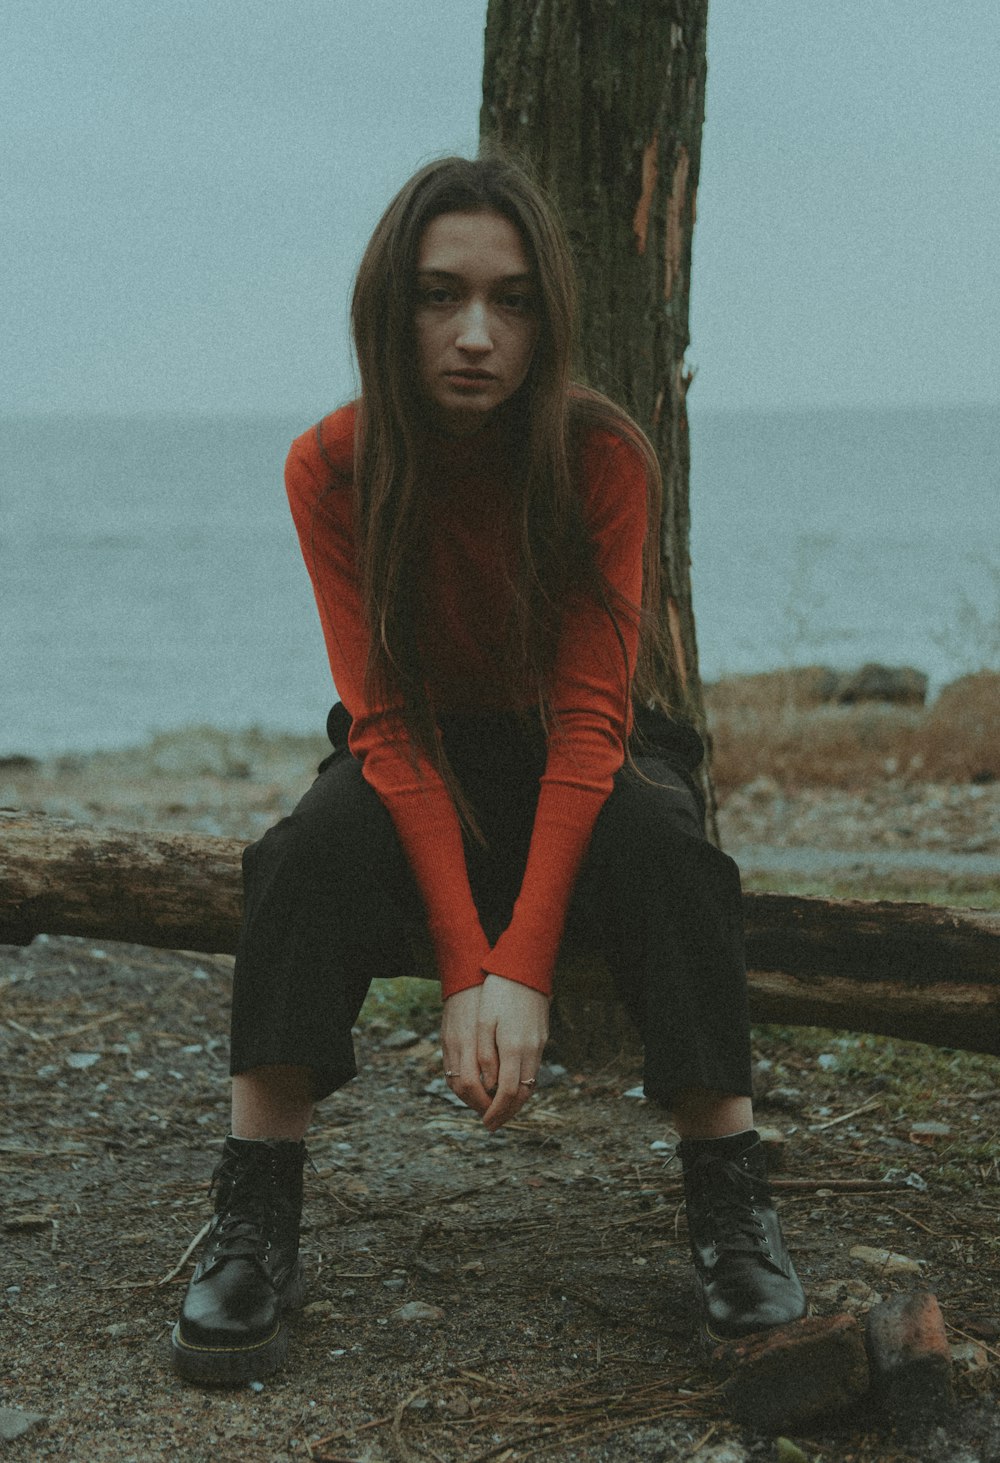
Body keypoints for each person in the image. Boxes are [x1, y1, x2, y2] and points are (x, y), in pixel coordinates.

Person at [170, 153, 806, 1385]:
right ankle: (253, 1219)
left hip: (579, 740)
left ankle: (732, 1203)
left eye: (510, 300)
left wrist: (519, 966)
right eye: (439, 295)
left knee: (670, 851)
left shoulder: (601, 455)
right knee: (304, 851)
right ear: (387, 309)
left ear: (546, 316)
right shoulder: (333, 466)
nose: (474, 334)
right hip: (416, 744)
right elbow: (389, 721)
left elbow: (586, 722)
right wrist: (470, 963)